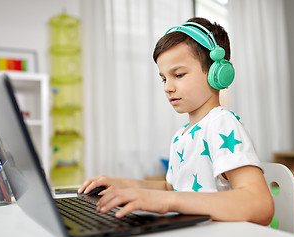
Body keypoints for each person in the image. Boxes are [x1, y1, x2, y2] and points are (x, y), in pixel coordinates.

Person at [78, 17, 274, 226]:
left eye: (178, 74)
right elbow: (173, 189)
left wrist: (168, 202)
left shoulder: (221, 123)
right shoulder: (182, 136)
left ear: (217, 74)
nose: (167, 87)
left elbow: (260, 204)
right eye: (163, 78)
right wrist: (121, 184)